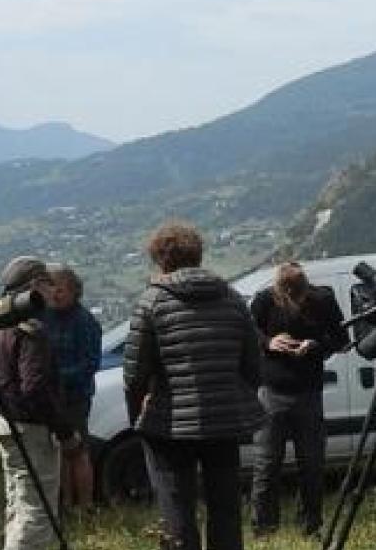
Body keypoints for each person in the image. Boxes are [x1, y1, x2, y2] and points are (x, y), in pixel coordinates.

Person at [122, 221, 265, 550]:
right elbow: (254, 365)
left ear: (159, 259)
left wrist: (138, 417)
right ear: (198, 255)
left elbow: (134, 375)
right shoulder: (231, 297)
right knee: (225, 508)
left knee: (176, 509)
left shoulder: (153, 301)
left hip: (169, 424)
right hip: (225, 422)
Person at [249, 260, 349, 537]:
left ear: (305, 289)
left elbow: (342, 339)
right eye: (288, 297)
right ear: (279, 291)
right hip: (271, 394)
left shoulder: (323, 299)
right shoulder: (264, 301)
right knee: (267, 465)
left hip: (308, 393)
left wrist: (315, 346)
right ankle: (264, 529)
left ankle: (310, 525)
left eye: (299, 296)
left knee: (312, 464)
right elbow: (246, 333)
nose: (294, 301)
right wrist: (268, 342)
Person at [0, 256, 76, 550]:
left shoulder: (2, 323)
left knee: (18, 500)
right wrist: (63, 430)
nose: (52, 290)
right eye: (48, 283)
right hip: (29, 427)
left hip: (4, 420)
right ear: (35, 285)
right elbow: (35, 388)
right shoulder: (32, 330)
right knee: (37, 511)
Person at [41, 265, 102, 513]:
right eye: (51, 288)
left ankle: (85, 505)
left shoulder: (84, 321)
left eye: (61, 289)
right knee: (58, 451)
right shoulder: (45, 317)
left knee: (77, 450)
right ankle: (65, 503)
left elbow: (90, 363)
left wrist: (58, 378)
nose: (55, 293)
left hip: (75, 396)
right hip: (50, 397)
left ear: (74, 291)